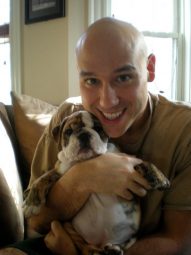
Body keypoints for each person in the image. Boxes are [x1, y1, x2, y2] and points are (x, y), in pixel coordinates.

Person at [1, 17, 191, 255]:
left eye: (123, 77)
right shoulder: (67, 118)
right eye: (91, 80)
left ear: (149, 68)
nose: (106, 101)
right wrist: (81, 179)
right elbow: (36, 222)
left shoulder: (184, 130)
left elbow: (179, 242)